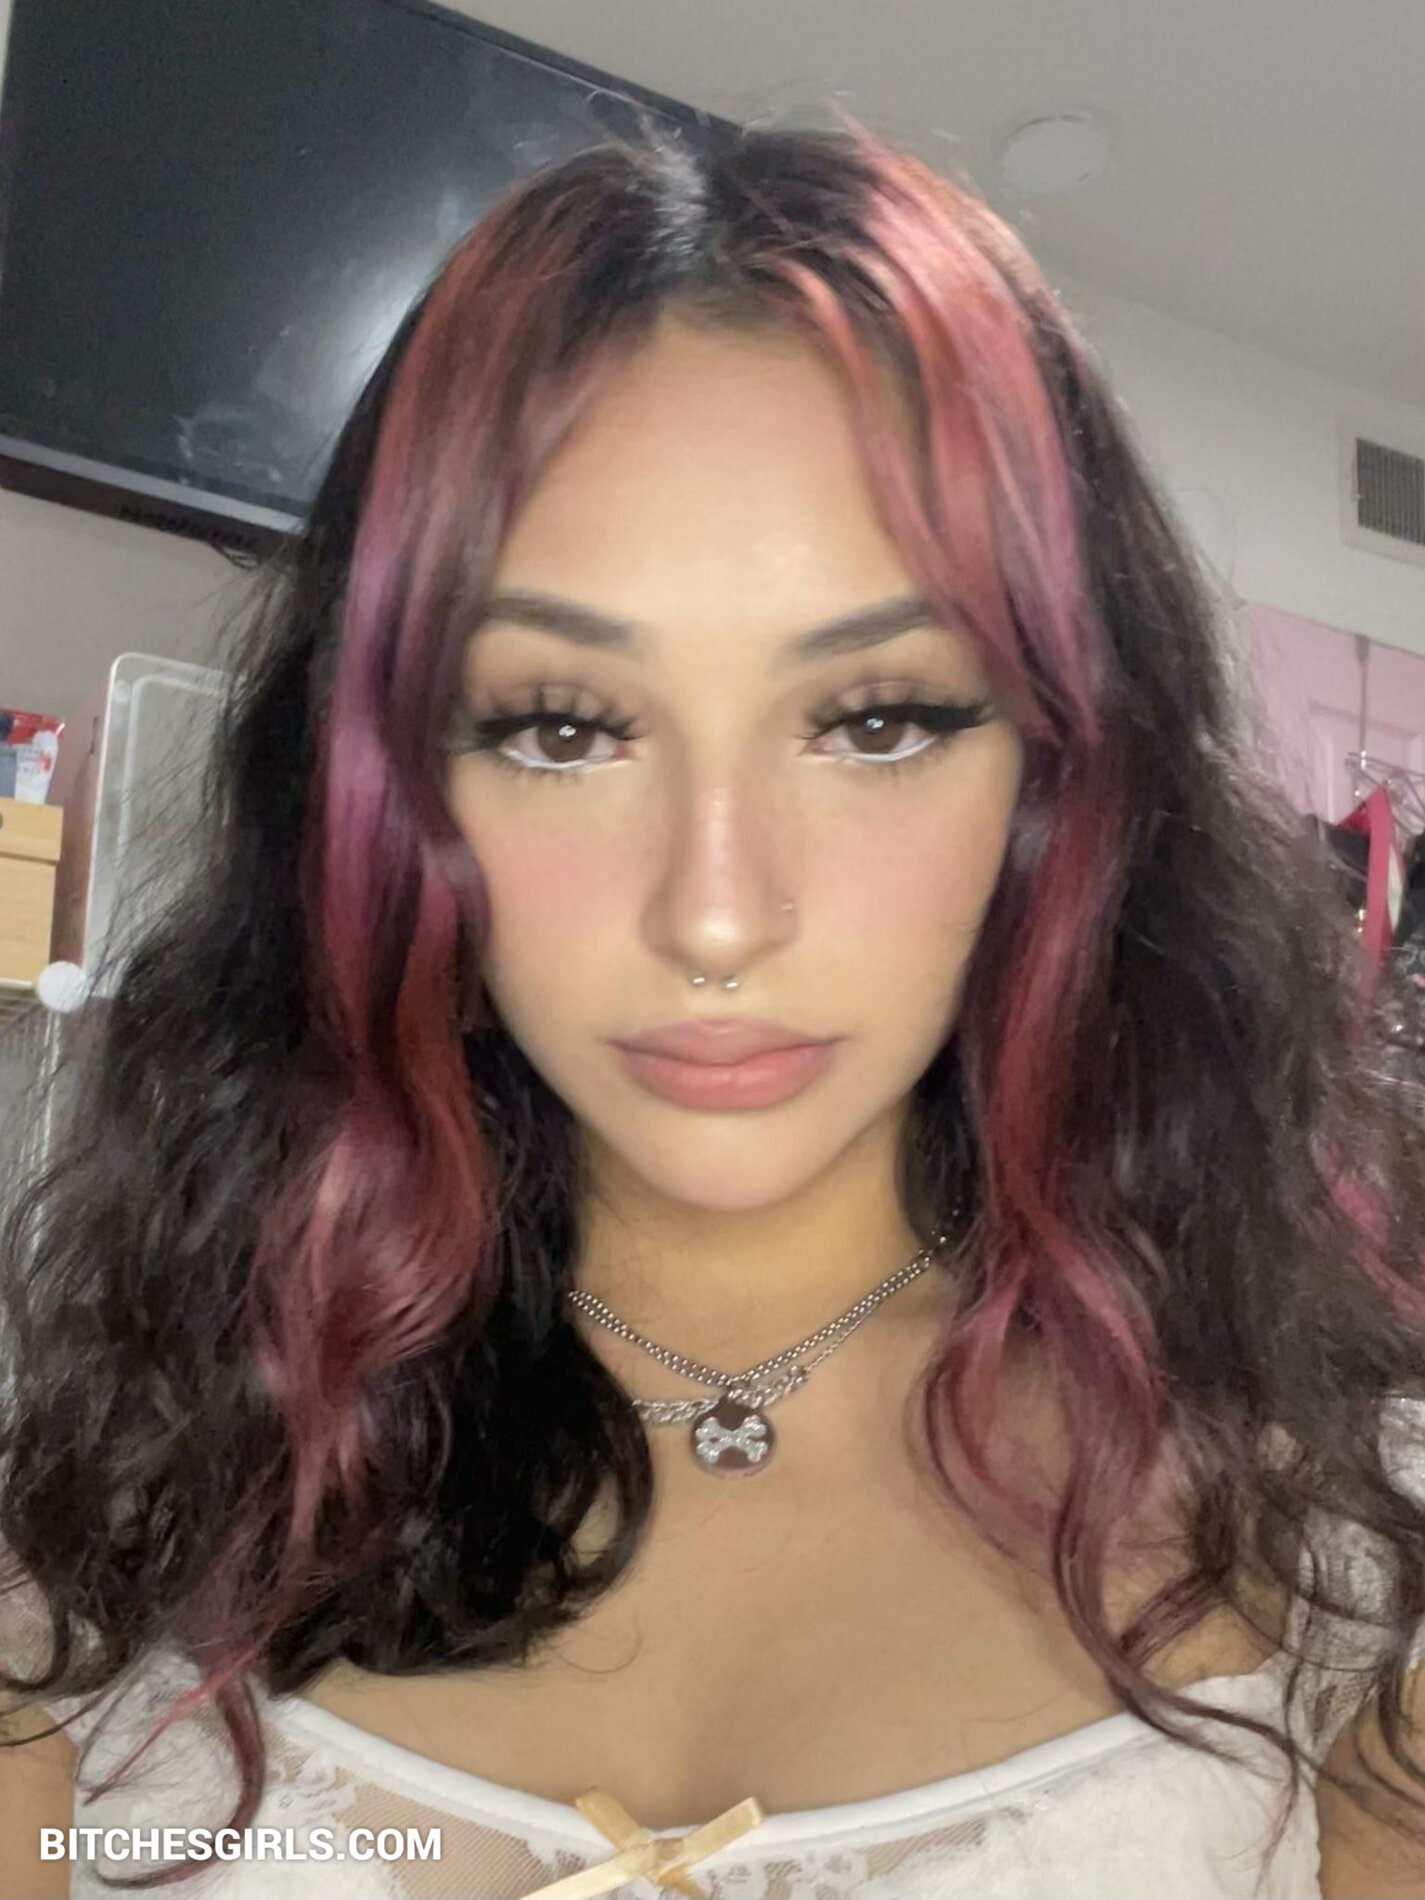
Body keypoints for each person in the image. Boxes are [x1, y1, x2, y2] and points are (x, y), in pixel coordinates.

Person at [3, 113, 1425, 1900]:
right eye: (561, 726)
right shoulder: (126, 1496)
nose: (717, 910)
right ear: (387, 796)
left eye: (877, 719)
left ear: (1066, 780)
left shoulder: (1344, 1547)